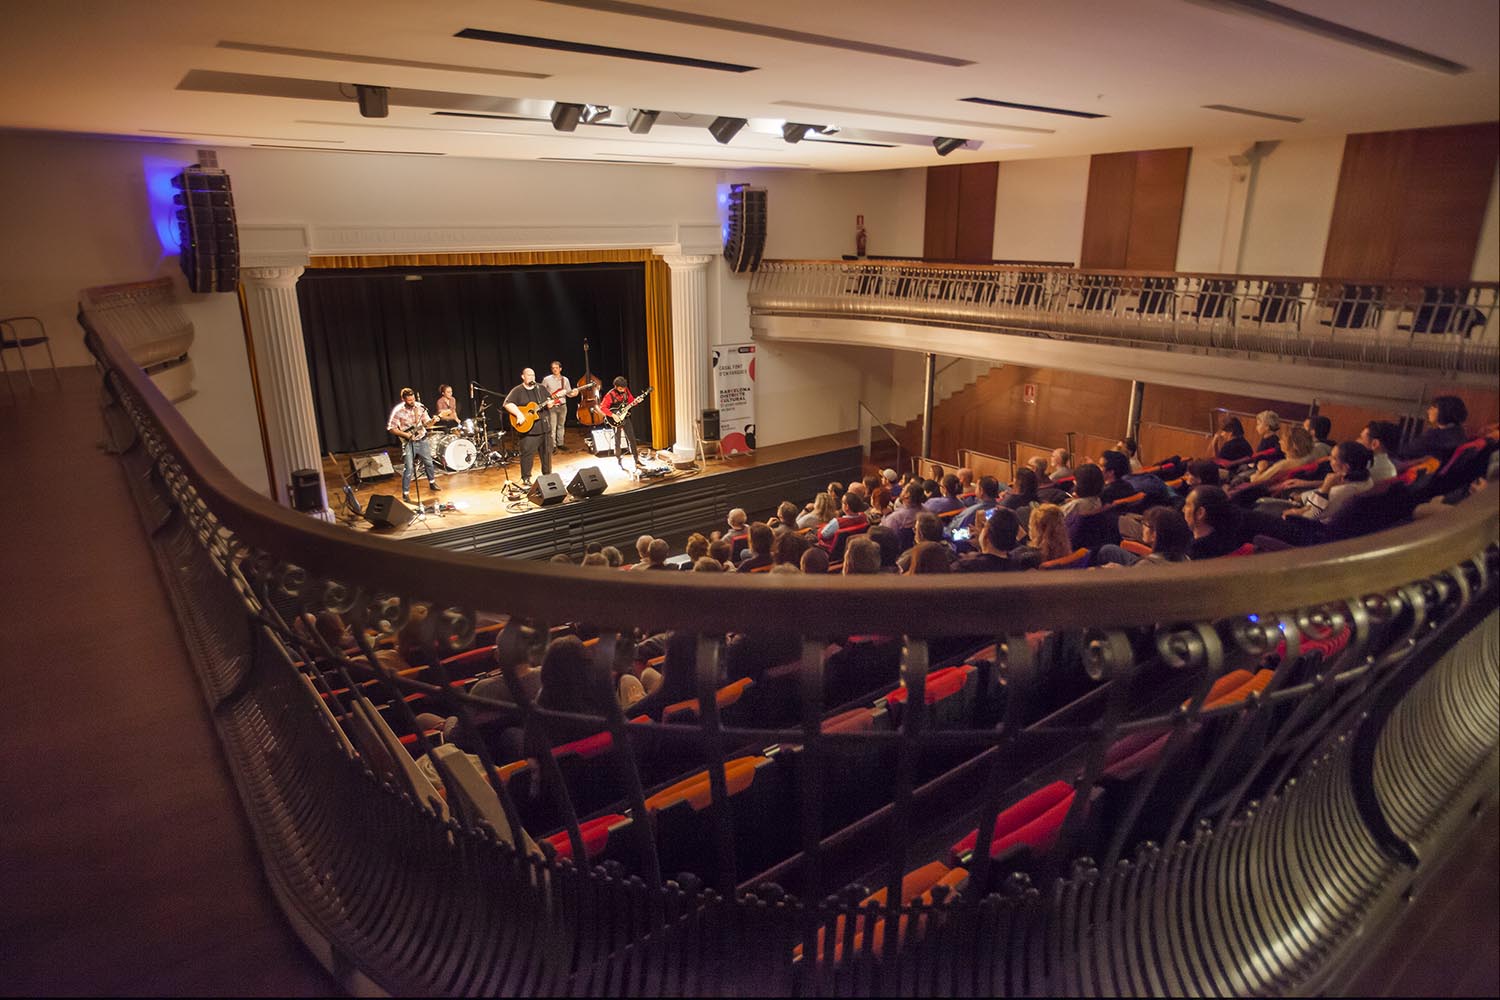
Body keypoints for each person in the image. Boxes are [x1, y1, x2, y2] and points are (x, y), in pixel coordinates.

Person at [1281, 441, 1375, 522]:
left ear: (1346, 467)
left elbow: (1311, 515)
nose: (1329, 459)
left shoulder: (1342, 491)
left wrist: (1295, 512)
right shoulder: (1366, 479)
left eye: (1333, 458)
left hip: (1317, 530)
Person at [503, 367, 559, 485]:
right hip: (529, 431)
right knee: (527, 455)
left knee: (547, 454)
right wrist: (519, 414)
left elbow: (549, 402)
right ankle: (526, 478)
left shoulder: (541, 388)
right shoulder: (517, 390)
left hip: (545, 429)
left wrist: (550, 404)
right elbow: (507, 404)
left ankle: (547, 476)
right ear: (523, 377)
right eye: (528, 375)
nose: (531, 377)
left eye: (533, 375)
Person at [386, 387, 441, 502]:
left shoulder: (420, 407)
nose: (412, 402)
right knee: (409, 468)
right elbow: (391, 428)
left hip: (422, 439)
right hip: (408, 442)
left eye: (413, 399)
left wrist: (434, 420)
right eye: (409, 400)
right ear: (403, 399)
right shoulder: (398, 411)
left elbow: (427, 424)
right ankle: (405, 493)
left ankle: (432, 482)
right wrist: (405, 435)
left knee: (429, 463)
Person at [1398, 395, 1469, 463]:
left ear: (1444, 411)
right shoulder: (1460, 433)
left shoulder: (1435, 436)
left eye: (1432, 408)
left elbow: (1405, 452)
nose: (1428, 411)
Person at [599, 375, 642, 471]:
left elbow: (631, 401)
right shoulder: (610, 395)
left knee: (632, 439)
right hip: (614, 420)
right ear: (615, 386)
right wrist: (612, 415)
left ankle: (636, 460)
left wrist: (637, 401)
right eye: (620, 388)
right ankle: (619, 460)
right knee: (617, 441)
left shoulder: (626, 390)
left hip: (625, 418)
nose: (622, 390)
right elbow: (602, 407)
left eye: (624, 388)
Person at [540, 361, 579, 452]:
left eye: (556, 368)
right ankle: (553, 446)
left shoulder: (565, 380)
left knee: (561, 425)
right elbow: (541, 392)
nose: (555, 369)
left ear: (560, 369)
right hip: (552, 406)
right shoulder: (547, 379)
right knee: (552, 426)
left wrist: (574, 394)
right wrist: (549, 400)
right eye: (553, 368)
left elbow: (568, 393)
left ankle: (560, 443)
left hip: (562, 405)